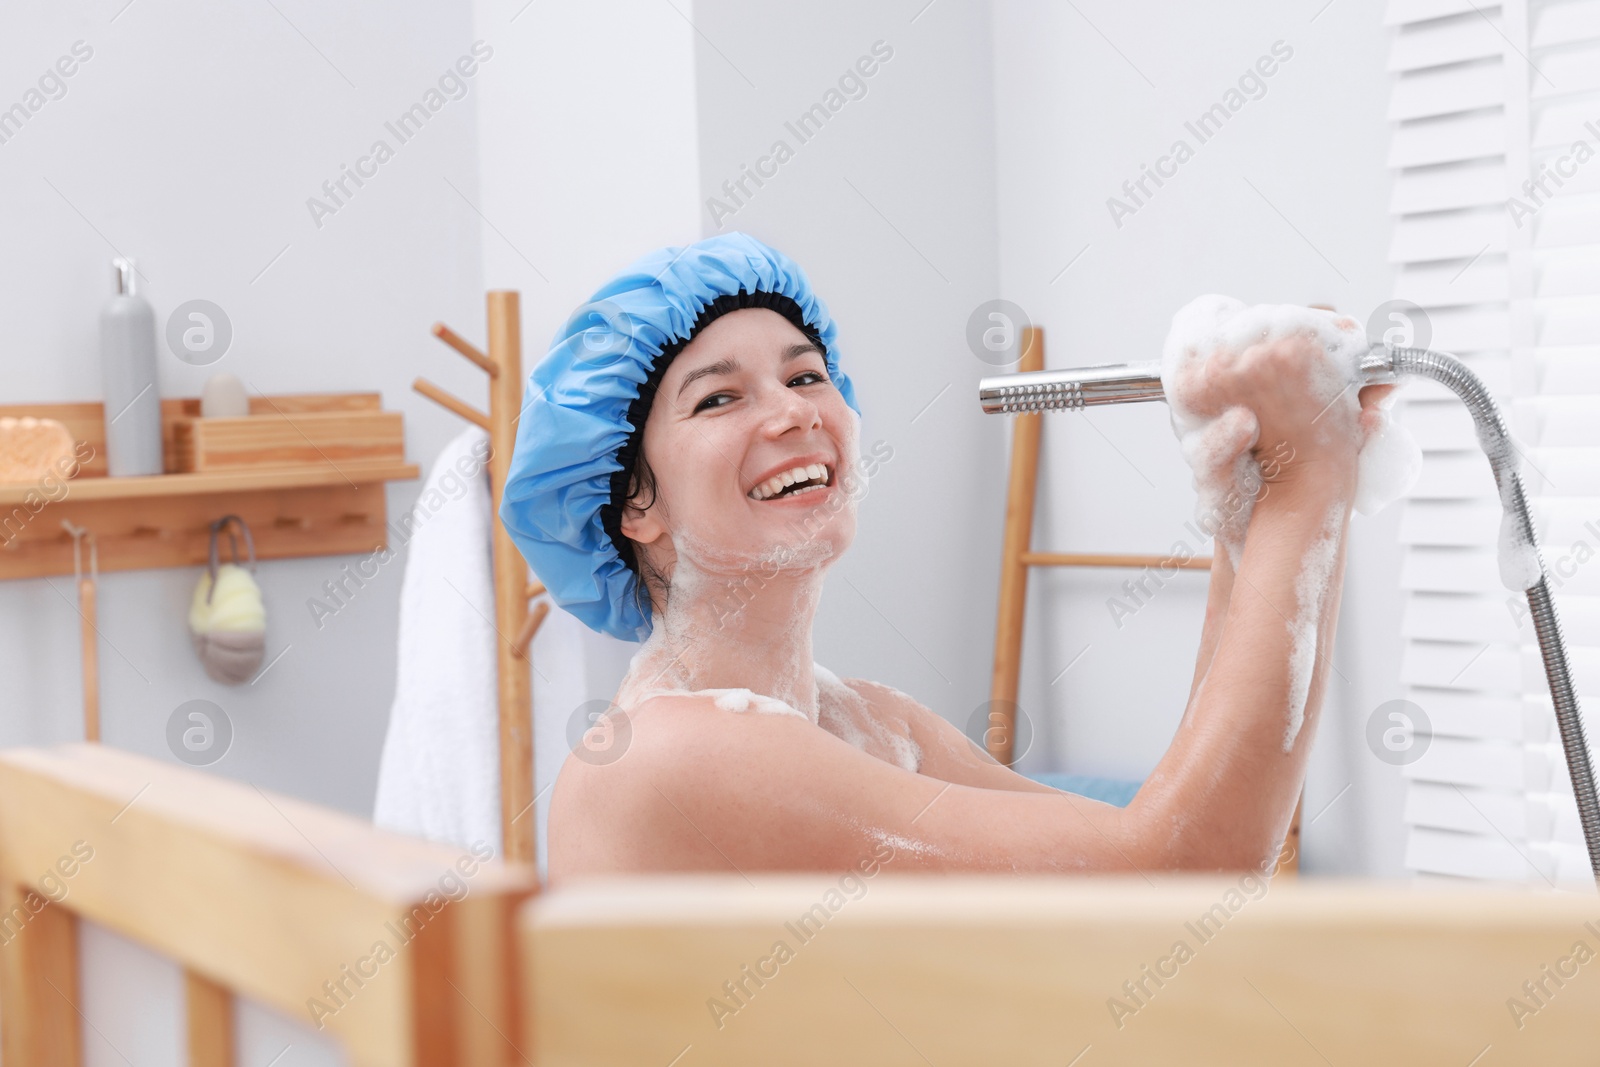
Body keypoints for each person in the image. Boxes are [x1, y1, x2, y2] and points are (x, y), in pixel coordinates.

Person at [500, 232, 1393, 881]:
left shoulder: (867, 723)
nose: (793, 411)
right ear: (635, 506)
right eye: (719, 397)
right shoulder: (675, 755)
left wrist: (1254, 490)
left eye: (807, 374)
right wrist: (1307, 475)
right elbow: (1179, 870)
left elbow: (1157, 850)